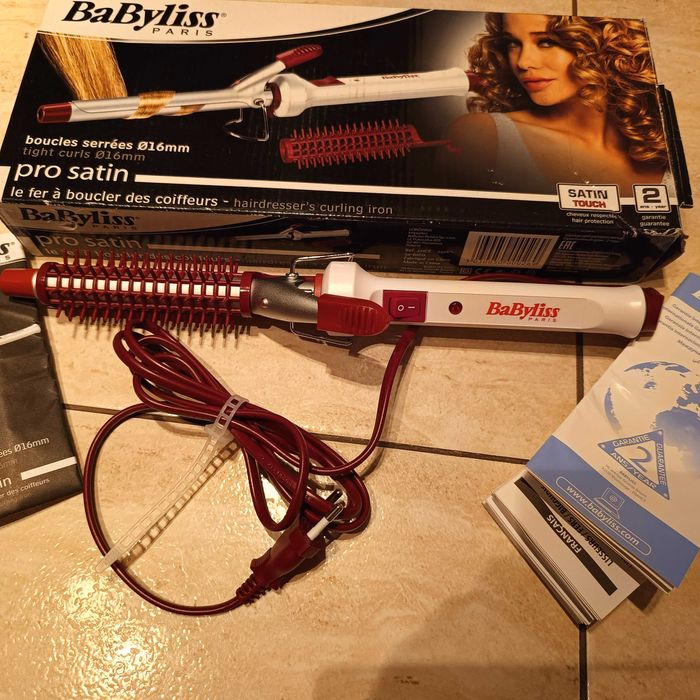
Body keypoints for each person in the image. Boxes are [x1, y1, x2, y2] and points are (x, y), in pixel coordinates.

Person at [442, 13, 669, 195]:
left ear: (605, 43)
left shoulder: (661, 141)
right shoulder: (484, 135)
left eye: (546, 42)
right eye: (513, 43)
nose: (523, 62)